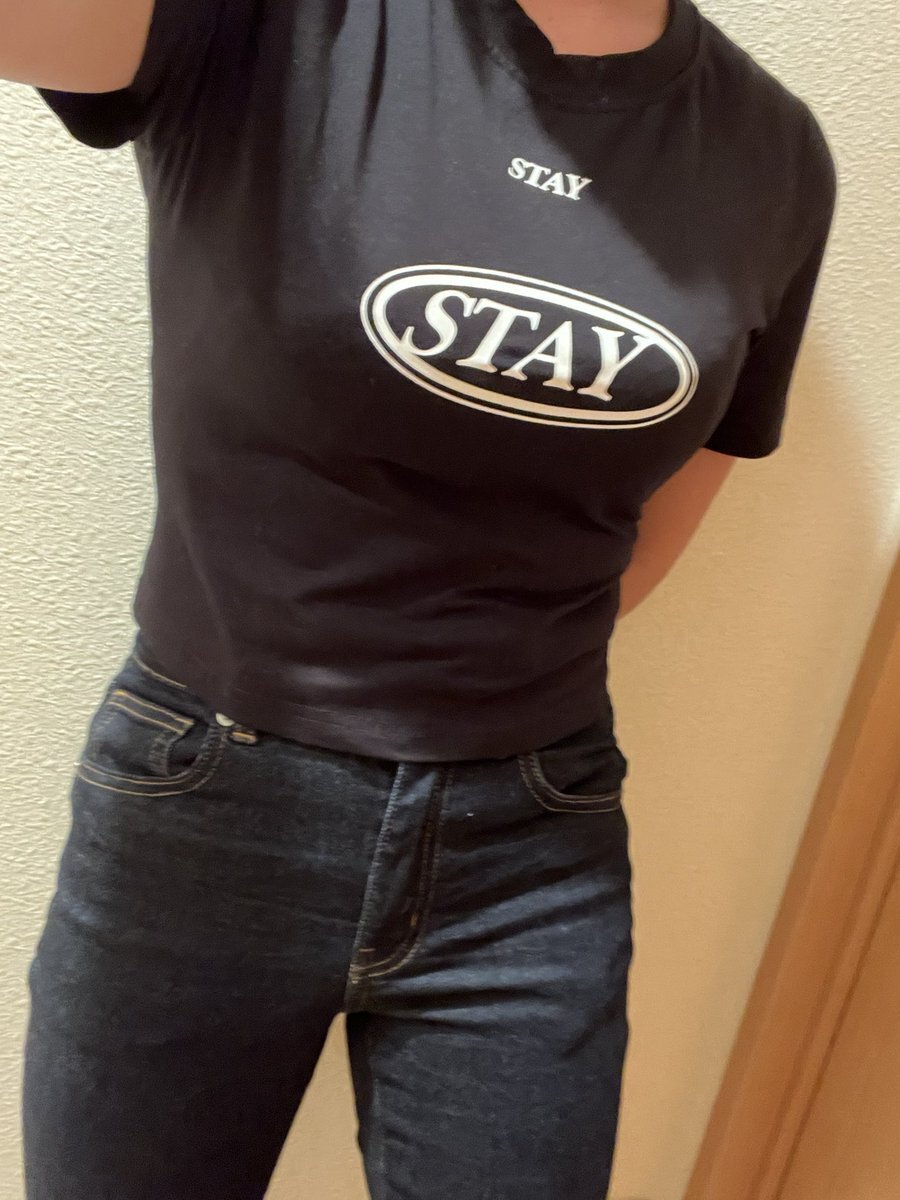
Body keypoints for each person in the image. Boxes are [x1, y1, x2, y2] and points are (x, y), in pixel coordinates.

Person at [6, 1, 837, 1197]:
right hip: (203, 802)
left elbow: (644, 530)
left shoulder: (773, 153)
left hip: (531, 851)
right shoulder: (278, 24)